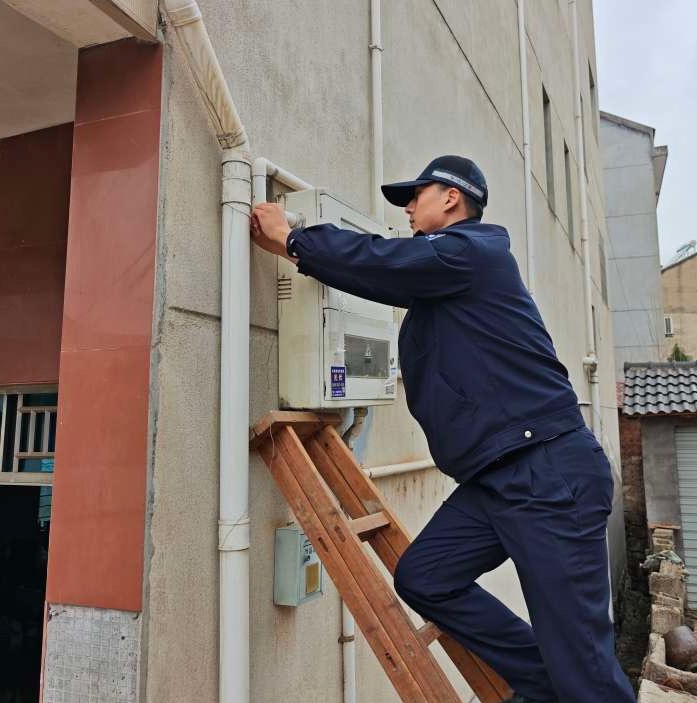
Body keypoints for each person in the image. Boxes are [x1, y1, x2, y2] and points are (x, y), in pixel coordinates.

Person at [250, 155, 636, 703]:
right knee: (426, 577)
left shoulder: (475, 252)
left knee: (585, 664)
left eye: (416, 195)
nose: (407, 208)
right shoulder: (446, 280)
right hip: (497, 481)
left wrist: (295, 240)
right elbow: (392, 272)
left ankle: (568, 686)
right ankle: (544, 684)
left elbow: (386, 263)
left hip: (547, 475)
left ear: (452, 197)